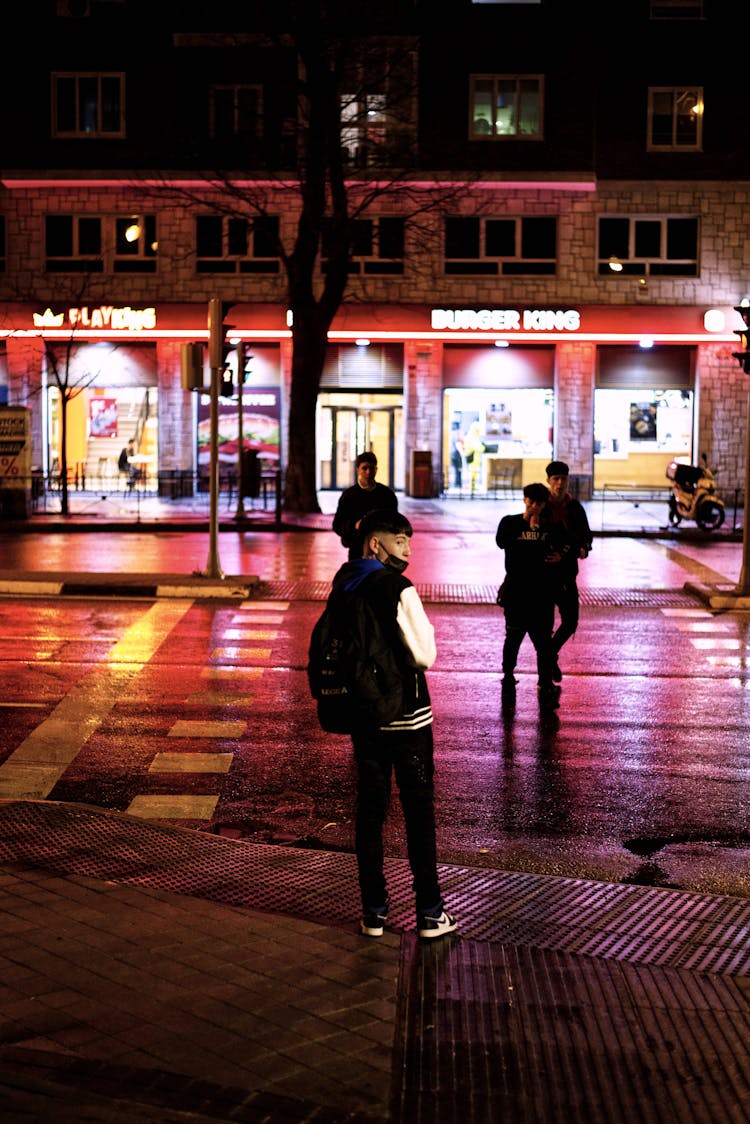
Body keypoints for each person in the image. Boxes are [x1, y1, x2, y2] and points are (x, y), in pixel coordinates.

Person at [326, 508, 457, 941]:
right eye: (399, 540)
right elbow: (424, 654)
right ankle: (430, 912)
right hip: (408, 720)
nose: (407, 548)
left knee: (370, 813)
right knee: (418, 813)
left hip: (365, 717)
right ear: (376, 543)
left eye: (408, 540)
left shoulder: (344, 582)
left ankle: (374, 912)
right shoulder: (398, 588)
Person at [495, 483, 559, 710]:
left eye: (538, 504)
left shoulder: (549, 527)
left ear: (544, 505)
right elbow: (501, 542)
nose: (534, 507)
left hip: (542, 592)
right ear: (524, 500)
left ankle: (545, 681)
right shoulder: (509, 522)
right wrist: (525, 524)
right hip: (516, 591)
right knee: (513, 636)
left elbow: (560, 546)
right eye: (530, 502)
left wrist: (543, 535)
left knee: (543, 640)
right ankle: (508, 673)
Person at [543, 460, 593, 683]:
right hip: (544, 574)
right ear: (549, 481)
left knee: (570, 621)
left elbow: (586, 537)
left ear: (568, 481)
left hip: (566, 574)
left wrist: (583, 548)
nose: (560, 483)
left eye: (563, 479)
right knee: (543, 625)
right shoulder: (542, 507)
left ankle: (550, 654)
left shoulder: (575, 508)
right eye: (556, 479)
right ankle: (545, 673)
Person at [332, 451, 398, 560]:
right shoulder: (349, 495)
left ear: (376, 470)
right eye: (364, 468)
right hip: (357, 549)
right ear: (357, 469)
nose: (368, 472)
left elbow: (395, 522)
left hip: (381, 550)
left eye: (372, 468)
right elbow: (337, 524)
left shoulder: (387, 495)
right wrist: (355, 525)